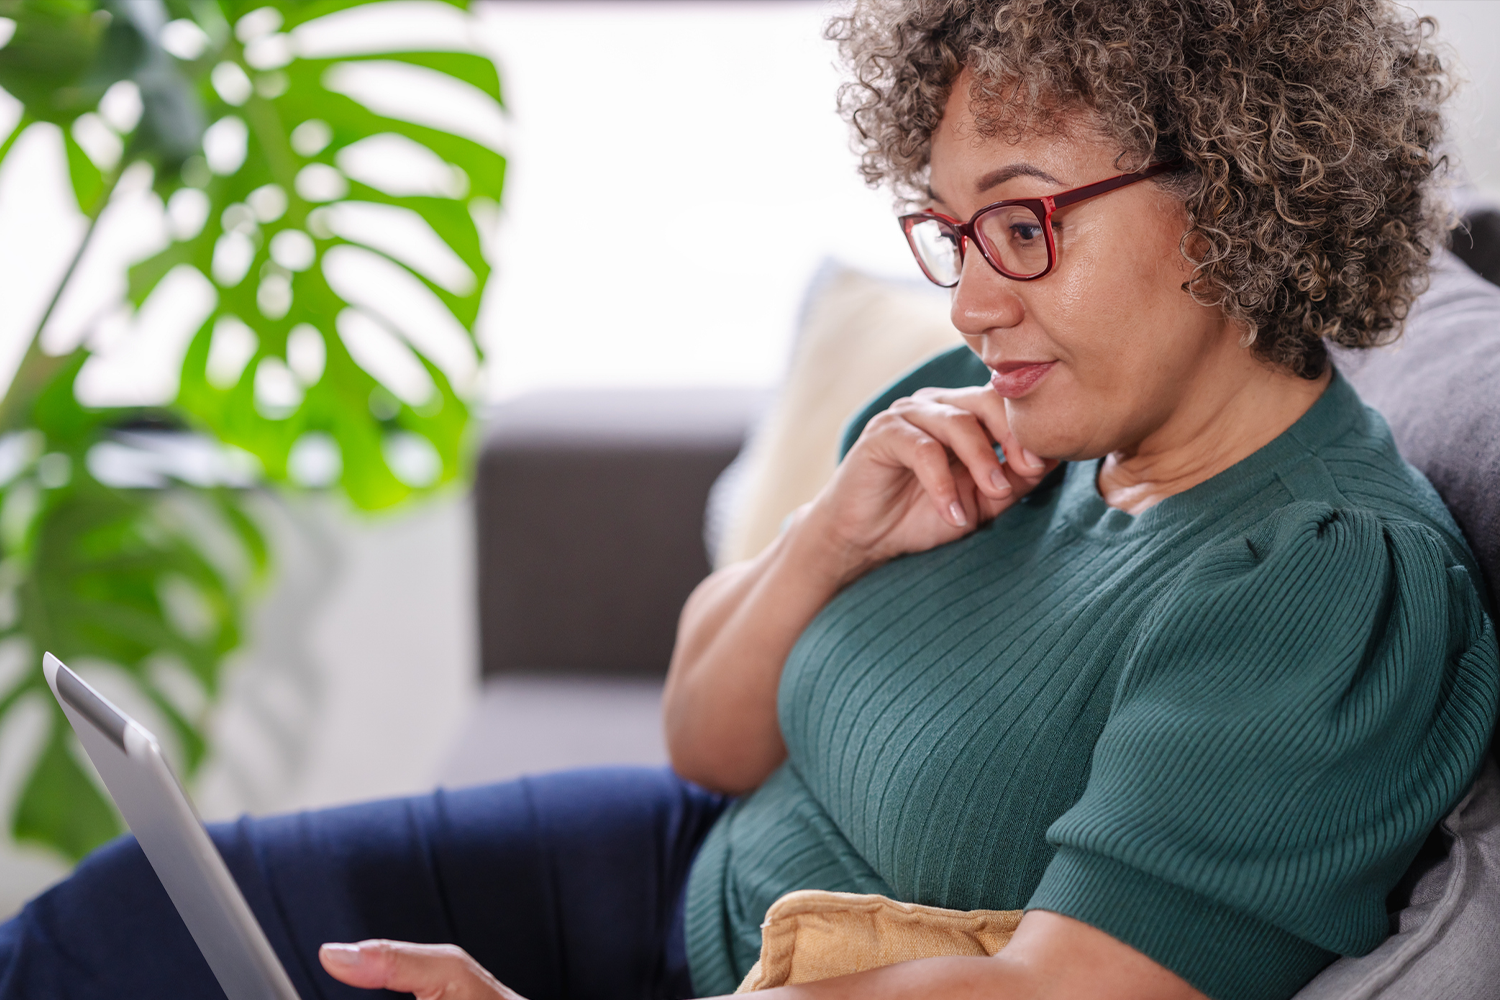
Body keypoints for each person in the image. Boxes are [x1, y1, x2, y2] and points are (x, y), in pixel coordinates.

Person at [2, 1, 1496, 999]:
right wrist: (828, 536)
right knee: (113, 929)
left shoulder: (1319, 580)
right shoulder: (1010, 419)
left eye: (1026, 222)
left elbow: (1050, 992)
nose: (975, 299)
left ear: (1238, 191)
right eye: (951, 228)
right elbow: (705, 744)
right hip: (674, 861)